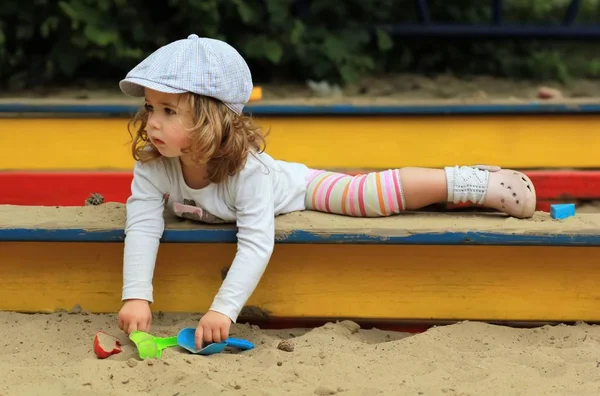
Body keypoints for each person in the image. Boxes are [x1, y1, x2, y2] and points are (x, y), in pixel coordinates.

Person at [116, 34, 537, 351]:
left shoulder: (250, 172)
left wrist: (222, 310)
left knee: (367, 196)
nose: (152, 122)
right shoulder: (154, 162)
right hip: (234, 201)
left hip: (296, 187)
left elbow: (256, 243)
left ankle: (473, 181)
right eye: (151, 107)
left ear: (210, 120)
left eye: (169, 111)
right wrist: (136, 297)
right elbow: (142, 223)